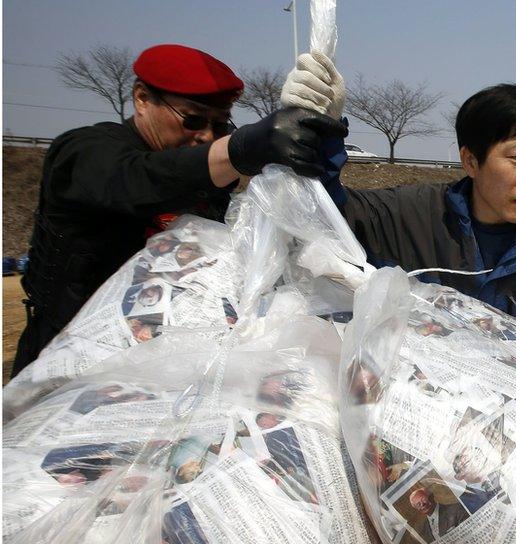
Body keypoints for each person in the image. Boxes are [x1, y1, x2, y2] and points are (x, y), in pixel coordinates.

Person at [281, 53, 516, 384]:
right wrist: (320, 131)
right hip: (420, 398)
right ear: (471, 161)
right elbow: (324, 214)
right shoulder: (412, 213)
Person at [12, 44, 348, 377]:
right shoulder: (85, 152)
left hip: (162, 363)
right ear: (142, 99)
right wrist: (237, 149)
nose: (205, 136)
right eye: (193, 120)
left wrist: (317, 132)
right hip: (66, 359)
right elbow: (142, 177)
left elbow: (286, 205)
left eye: (220, 125)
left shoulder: (209, 178)